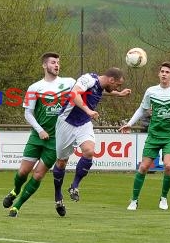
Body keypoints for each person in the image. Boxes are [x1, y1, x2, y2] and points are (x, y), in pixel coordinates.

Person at [2, 52, 76, 217]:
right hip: (37, 136)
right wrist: (40, 130)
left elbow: (89, 91)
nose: (56, 65)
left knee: (38, 174)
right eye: (52, 62)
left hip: (56, 140)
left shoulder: (69, 83)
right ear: (44, 65)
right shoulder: (35, 87)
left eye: (58, 62)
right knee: (23, 172)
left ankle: (17, 207)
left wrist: (114, 93)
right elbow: (28, 113)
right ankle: (15, 191)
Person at [51, 68, 131, 211]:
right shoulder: (88, 79)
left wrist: (118, 94)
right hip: (66, 122)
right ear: (111, 80)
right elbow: (74, 93)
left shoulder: (101, 85)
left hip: (83, 123)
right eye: (117, 85)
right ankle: (58, 195)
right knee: (62, 162)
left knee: (89, 152)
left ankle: (74, 186)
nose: (117, 87)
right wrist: (88, 110)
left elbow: (104, 91)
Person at [119, 62, 170, 211]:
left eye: (167, 72)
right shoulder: (151, 91)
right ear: (159, 74)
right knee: (144, 167)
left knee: (168, 165)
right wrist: (130, 123)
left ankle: (164, 198)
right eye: (162, 71)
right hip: (154, 135)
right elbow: (142, 108)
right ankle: (134, 200)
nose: (164, 74)